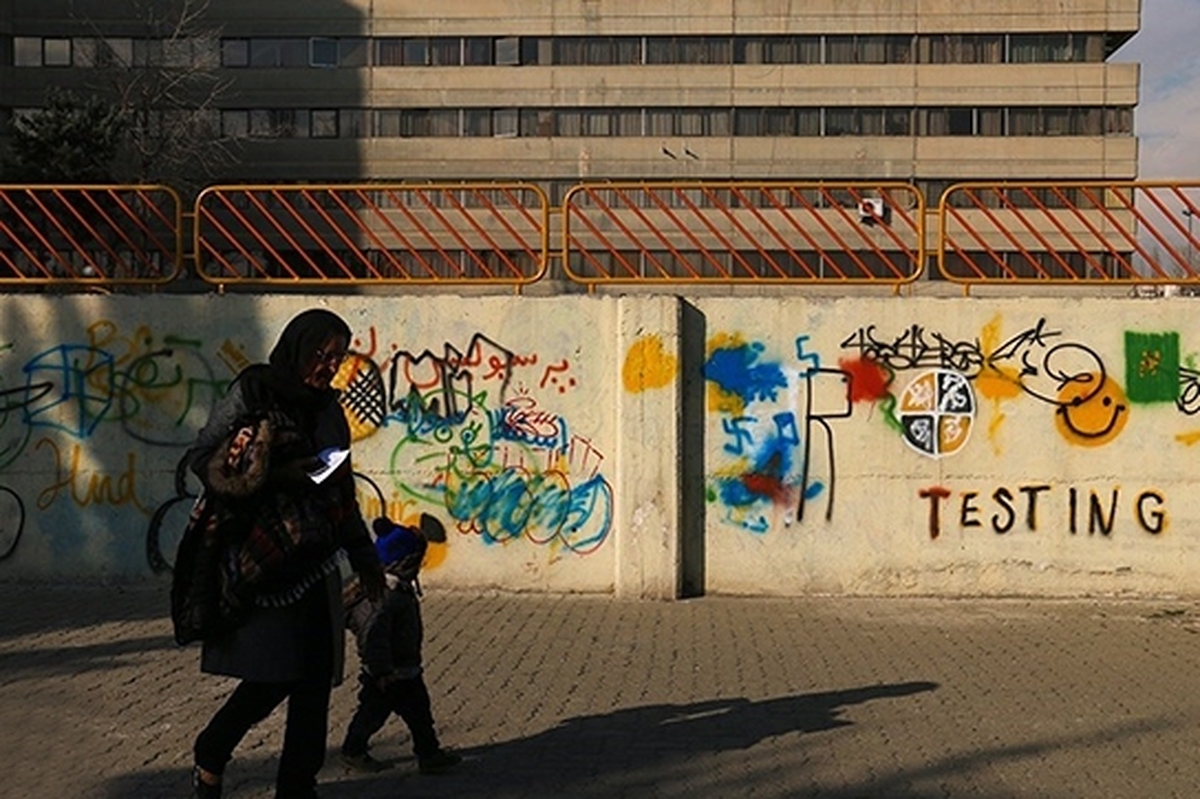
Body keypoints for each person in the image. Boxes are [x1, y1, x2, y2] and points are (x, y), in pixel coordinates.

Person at [187, 308, 386, 799]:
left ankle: (298, 786)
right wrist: (276, 474)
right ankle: (211, 750)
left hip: (315, 563)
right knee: (271, 677)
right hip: (263, 562)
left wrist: (365, 558)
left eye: (336, 358)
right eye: (321, 354)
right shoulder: (255, 390)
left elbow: (341, 492)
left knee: (315, 683)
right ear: (297, 347)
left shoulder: (328, 410)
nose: (327, 366)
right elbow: (202, 457)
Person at [339, 515, 461, 775]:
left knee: (419, 713)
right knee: (372, 713)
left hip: (406, 668)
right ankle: (353, 749)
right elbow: (374, 637)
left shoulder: (398, 589)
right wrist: (381, 671)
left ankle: (428, 753)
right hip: (388, 673)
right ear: (404, 561)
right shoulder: (384, 597)